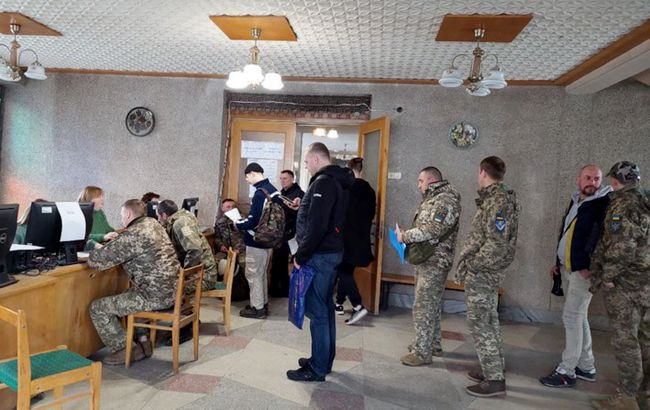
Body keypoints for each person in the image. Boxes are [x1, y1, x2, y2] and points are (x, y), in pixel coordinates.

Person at [286, 142, 354, 382]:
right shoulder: (335, 181)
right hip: (329, 252)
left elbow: (317, 225)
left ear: (316, 159)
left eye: (306, 162)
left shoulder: (324, 182)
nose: (306, 166)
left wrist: (300, 256)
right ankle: (323, 359)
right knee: (324, 307)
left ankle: (317, 368)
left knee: (317, 311)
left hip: (320, 255)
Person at [539, 165, 611, 388]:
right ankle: (586, 366)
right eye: (588, 178)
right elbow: (568, 233)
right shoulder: (577, 201)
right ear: (578, 179)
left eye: (597, 179)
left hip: (583, 271)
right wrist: (558, 261)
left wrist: (591, 266)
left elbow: (603, 239)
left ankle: (567, 371)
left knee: (571, 317)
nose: (592, 182)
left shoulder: (603, 204)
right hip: (568, 267)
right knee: (579, 317)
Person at [455, 156, 520, 398]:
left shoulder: (497, 201)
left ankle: (494, 380)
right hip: (486, 270)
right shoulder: (497, 198)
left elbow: (496, 244)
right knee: (489, 320)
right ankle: (492, 368)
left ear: (483, 172)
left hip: (483, 272)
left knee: (480, 323)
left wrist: (473, 264)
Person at [87, 199, 180, 366]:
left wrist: (91, 245)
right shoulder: (153, 224)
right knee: (127, 295)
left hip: (155, 296)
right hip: (173, 291)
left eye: (122, 215)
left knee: (98, 308)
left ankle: (125, 349)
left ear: (129, 214)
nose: (122, 219)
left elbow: (97, 262)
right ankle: (143, 341)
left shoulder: (134, 234)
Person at [590, 161, 650, 410]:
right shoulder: (645, 200)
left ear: (616, 180)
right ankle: (644, 393)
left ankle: (627, 397)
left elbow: (622, 246)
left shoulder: (622, 204)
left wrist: (608, 276)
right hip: (645, 282)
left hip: (625, 284)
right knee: (645, 338)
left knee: (625, 341)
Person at [397, 166, 461, 365]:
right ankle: (432, 344)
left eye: (421, 181)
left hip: (435, 261)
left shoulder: (445, 200)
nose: (418, 185)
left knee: (423, 306)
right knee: (430, 304)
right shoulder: (433, 198)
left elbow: (434, 229)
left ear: (431, 180)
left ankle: (421, 353)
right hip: (427, 259)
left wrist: (405, 236)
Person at [235, 162, 281, 319]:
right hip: (268, 239)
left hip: (256, 240)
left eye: (247, 177)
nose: (247, 180)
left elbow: (254, 221)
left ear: (253, 173)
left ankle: (257, 308)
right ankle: (262, 303)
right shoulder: (273, 190)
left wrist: (238, 223)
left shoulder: (260, 193)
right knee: (262, 273)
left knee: (253, 274)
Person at [335, 157, 376, 325]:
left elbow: (339, 213)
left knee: (342, 271)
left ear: (348, 170)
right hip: (361, 238)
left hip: (345, 238)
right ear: (361, 170)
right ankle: (338, 302)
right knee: (346, 271)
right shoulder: (370, 191)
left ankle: (358, 305)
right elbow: (370, 215)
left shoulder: (345, 188)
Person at [156, 199, 218, 290]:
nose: (158, 220)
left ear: (164, 215)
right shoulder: (184, 217)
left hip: (204, 277)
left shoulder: (180, 223)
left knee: (164, 288)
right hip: (202, 273)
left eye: (158, 216)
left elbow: (195, 250)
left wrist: (184, 273)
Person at [269, 169, 304, 297]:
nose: (282, 181)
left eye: (285, 178)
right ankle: (278, 289)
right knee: (279, 262)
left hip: (291, 233)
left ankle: (283, 289)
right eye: (281, 178)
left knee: (282, 262)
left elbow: (298, 214)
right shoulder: (282, 193)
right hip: (282, 232)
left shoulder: (298, 194)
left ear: (292, 179)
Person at [78, 186, 118, 250]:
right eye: (98, 197)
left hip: (102, 245)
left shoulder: (100, 212)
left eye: (102, 196)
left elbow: (107, 229)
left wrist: (117, 233)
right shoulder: (80, 214)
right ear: (89, 199)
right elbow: (82, 237)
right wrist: (103, 237)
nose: (102, 199)